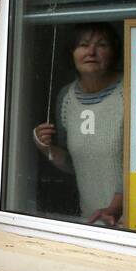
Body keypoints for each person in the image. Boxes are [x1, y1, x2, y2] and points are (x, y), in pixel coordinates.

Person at [32, 22, 124, 225]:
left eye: (101, 45)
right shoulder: (66, 97)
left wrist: (116, 207)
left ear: (114, 52)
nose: (91, 51)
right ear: (72, 53)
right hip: (90, 222)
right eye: (83, 45)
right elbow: (72, 165)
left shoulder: (130, 90)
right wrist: (45, 147)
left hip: (133, 223)